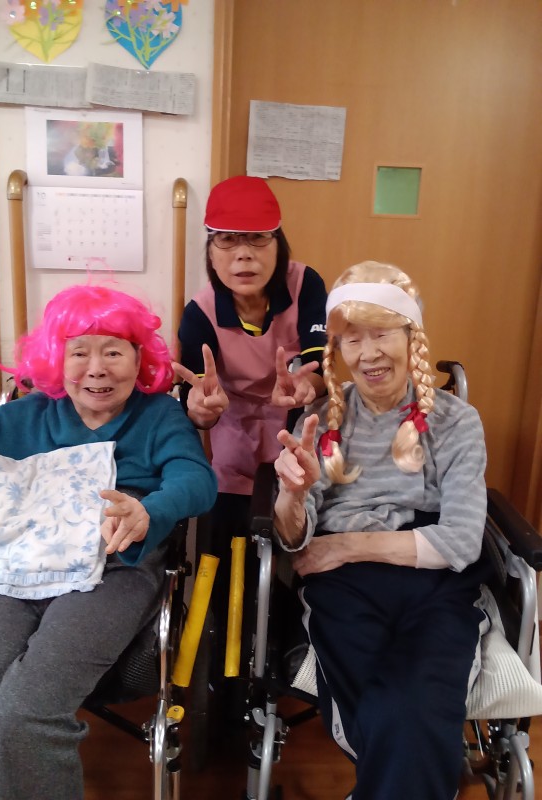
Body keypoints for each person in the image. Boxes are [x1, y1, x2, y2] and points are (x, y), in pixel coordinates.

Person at [0, 284, 217, 800]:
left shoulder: (158, 417)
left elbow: (196, 479)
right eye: (79, 353)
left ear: (139, 360)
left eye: (113, 352)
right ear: (56, 360)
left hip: (110, 567)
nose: (97, 369)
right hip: (10, 565)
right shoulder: (28, 414)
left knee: (25, 713)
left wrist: (150, 510)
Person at [273, 261, 489, 800]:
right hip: (344, 588)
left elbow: (461, 541)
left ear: (410, 337)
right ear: (338, 350)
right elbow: (295, 540)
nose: (368, 354)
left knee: (413, 703)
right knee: (398, 713)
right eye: (352, 340)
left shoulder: (457, 422)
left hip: (433, 579)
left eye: (381, 334)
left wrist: (348, 545)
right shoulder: (321, 421)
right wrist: (292, 496)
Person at [172, 175, 328, 686]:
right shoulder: (199, 312)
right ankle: (227, 674)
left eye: (258, 239)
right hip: (232, 433)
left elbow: (318, 359)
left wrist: (306, 385)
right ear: (211, 252)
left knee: (298, 544)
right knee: (228, 551)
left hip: (297, 432)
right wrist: (202, 412)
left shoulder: (306, 285)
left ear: (278, 244)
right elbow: (195, 399)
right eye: (227, 240)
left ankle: (294, 655)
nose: (243, 254)